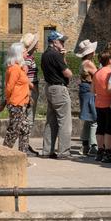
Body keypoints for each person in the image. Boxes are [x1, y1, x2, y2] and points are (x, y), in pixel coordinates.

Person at [40, 30, 74, 159]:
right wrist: (63, 58)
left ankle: (47, 150)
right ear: (54, 42)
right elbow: (68, 73)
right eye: (61, 41)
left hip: (49, 87)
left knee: (51, 121)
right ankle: (64, 151)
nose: (63, 44)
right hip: (59, 89)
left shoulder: (45, 54)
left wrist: (62, 56)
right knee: (65, 122)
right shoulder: (55, 55)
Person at [2, 42, 34, 153]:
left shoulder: (19, 68)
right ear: (19, 53)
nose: (27, 52)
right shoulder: (14, 69)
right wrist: (6, 101)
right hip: (16, 104)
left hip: (22, 103)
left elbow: (26, 84)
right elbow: (9, 87)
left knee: (25, 129)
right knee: (13, 130)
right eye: (24, 51)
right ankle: (4, 153)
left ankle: (22, 155)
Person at [76, 39, 98, 156]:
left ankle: (85, 144)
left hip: (84, 90)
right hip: (89, 90)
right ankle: (93, 146)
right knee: (94, 118)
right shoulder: (89, 63)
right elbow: (98, 76)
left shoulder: (83, 63)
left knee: (88, 119)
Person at [93, 50, 111, 162]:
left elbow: (93, 89)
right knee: (109, 128)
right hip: (109, 102)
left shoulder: (97, 72)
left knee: (100, 127)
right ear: (109, 60)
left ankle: (100, 150)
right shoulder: (110, 72)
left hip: (98, 102)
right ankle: (108, 151)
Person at [20, 32, 40, 128]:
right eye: (36, 42)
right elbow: (25, 75)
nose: (38, 44)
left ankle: (25, 141)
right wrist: (31, 90)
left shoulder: (28, 57)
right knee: (29, 115)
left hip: (31, 88)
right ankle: (25, 141)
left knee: (28, 115)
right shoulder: (28, 58)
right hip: (30, 89)